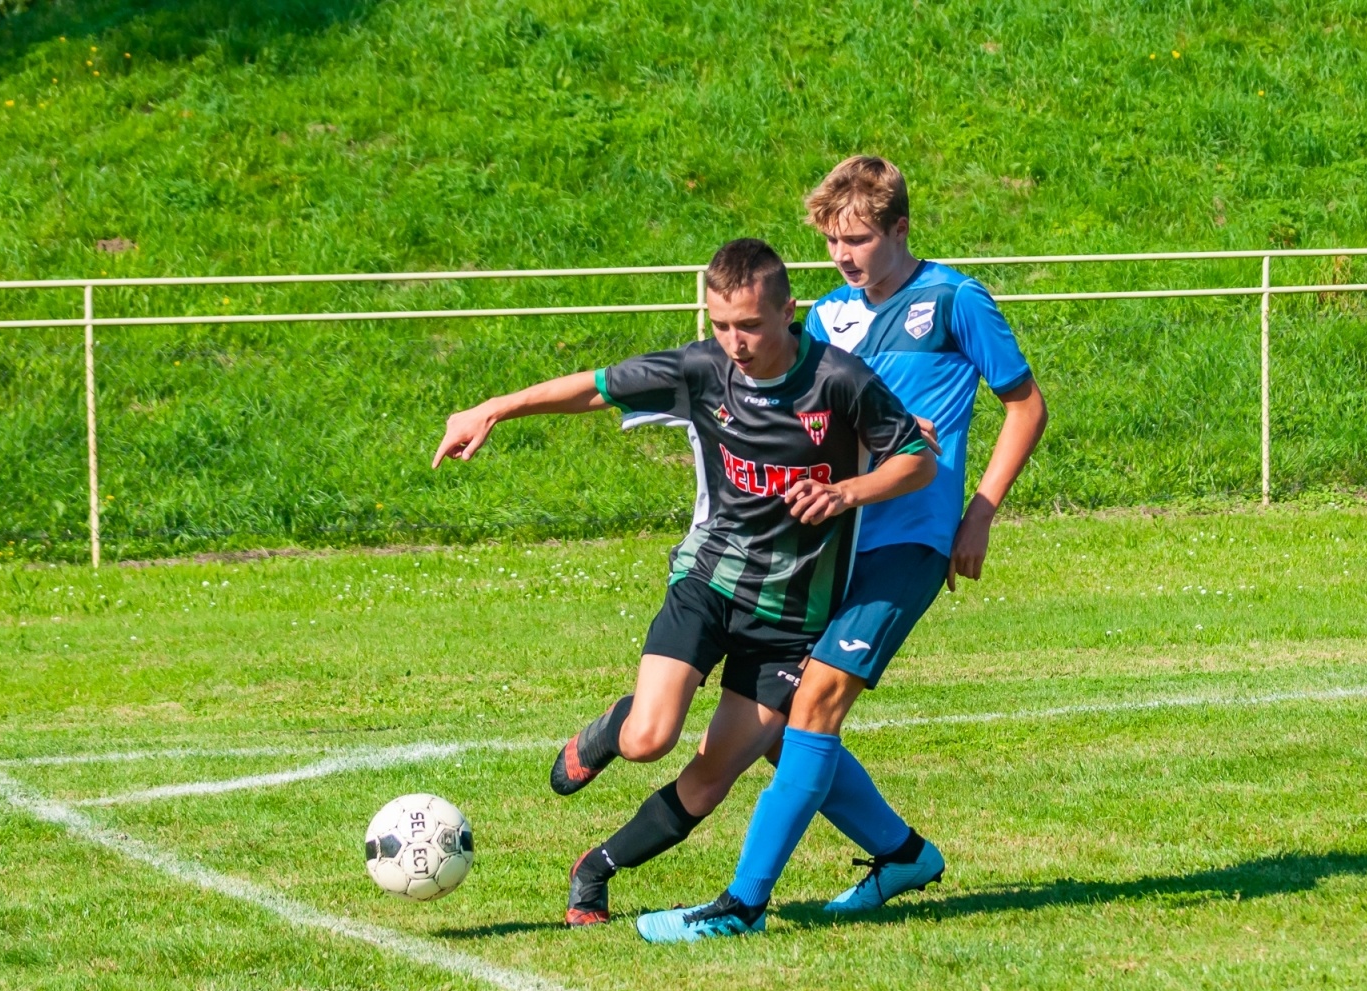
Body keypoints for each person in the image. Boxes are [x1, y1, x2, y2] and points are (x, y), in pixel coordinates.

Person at [430, 237, 937, 927]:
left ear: (789, 310)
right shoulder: (702, 370)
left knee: (711, 776)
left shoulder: (839, 380)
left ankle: (596, 869)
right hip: (710, 582)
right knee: (648, 739)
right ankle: (617, 725)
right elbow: (595, 387)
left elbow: (916, 460)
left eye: (750, 325)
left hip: (792, 619)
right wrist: (494, 407)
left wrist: (846, 492)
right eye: (721, 324)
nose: (735, 342)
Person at [637, 156, 1047, 942]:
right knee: (776, 721)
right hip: (828, 544)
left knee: (817, 702)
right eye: (831, 241)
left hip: (910, 537)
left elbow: (1026, 407)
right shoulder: (826, 316)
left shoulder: (954, 301)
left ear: (901, 229)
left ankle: (742, 906)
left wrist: (979, 513)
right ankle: (903, 855)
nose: (842, 256)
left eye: (857, 240)